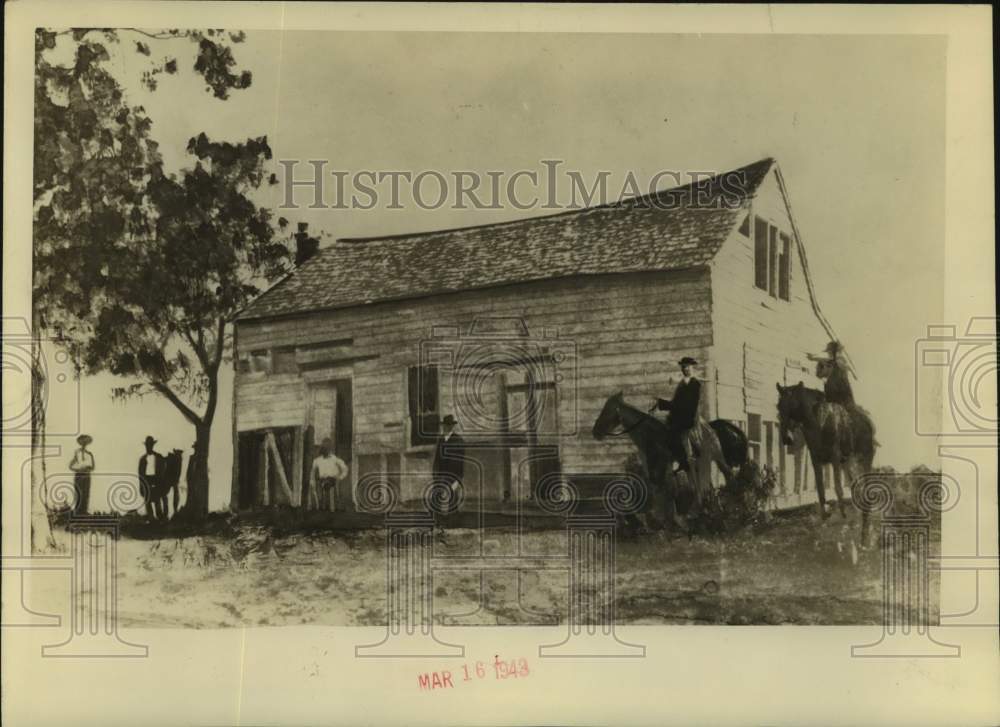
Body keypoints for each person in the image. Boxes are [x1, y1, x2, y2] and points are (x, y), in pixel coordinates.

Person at [652, 357, 703, 474]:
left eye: (688, 367)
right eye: (683, 367)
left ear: (692, 368)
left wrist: (663, 404)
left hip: (688, 417)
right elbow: (675, 403)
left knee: (674, 433)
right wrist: (660, 403)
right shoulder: (681, 384)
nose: (685, 369)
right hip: (678, 416)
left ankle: (682, 462)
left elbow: (691, 405)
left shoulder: (695, 384)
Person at [432, 415, 465, 512]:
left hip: (453, 476)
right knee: (437, 499)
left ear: (452, 427)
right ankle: (439, 521)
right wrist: (435, 474)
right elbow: (437, 459)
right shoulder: (441, 440)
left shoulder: (458, 440)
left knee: (453, 500)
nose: (446, 428)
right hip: (441, 475)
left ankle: (453, 523)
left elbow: (460, 462)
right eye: (445, 426)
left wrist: (457, 480)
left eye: (449, 426)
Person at [807, 340, 855, 406]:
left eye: (830, 352)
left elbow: (830, 361)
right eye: (829, 352)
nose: (829, 354)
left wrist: (813, 358)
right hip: (835, 390)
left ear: (834, 351)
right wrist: (813, 358)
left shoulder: (840, 360)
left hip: (841, 391)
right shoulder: (834, 361)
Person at [311, 437, 349, 512]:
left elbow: (345, 468)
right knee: (320, 485)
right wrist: (312, 480)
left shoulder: (334, 458)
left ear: (330, 448)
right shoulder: (317, 460)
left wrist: (340, 477)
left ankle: (332, 508)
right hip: (322, 480)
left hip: (333, 480)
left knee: (330, 485)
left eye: (328, 447)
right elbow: (312, 471)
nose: (326, 450)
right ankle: (323, 507)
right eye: (324, 448)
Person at [137, 435, 165, 518]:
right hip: (146, 481)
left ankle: (160, 517)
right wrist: (144, 484)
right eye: (147, 445)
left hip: (156, 481)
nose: (148, 447)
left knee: (157, 500)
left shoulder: (159, 457)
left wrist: (158, 482)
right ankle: (151, 518)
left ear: (153, 445)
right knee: (147, 501)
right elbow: (140, 474)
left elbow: (162, 471)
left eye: (150, 445)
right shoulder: (142, 459)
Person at [68, 434, 95, 515]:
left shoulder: (89, 454)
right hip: (79, 475)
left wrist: (88, 469)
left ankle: (84, 512)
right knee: (79, 493)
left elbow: (93, 467)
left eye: (85, 442)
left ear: (87, 443)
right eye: (82, 442)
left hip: (87, 475)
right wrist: (78, 469)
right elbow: (70, 466)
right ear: (80, 443)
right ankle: (77, 513)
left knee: (86, 494)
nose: (84, 443)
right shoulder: (77, 452)